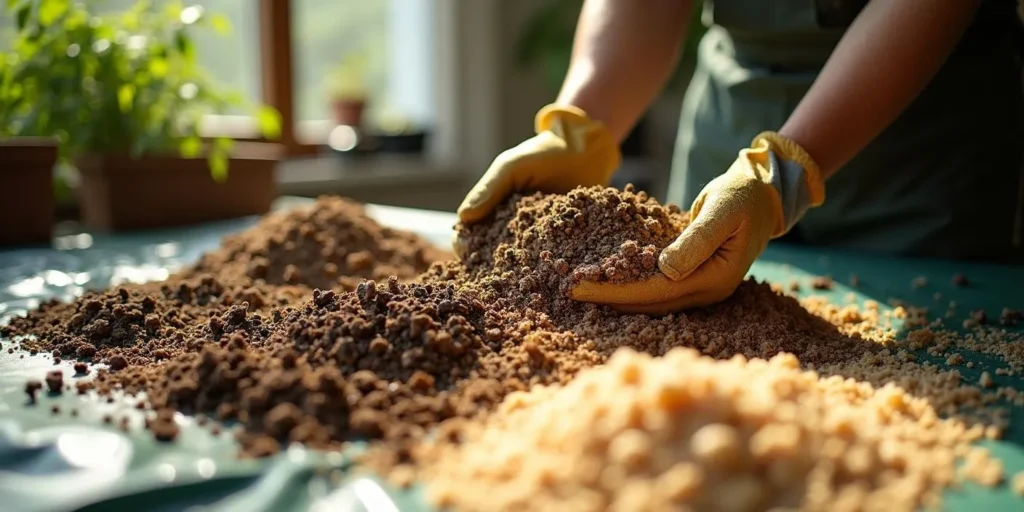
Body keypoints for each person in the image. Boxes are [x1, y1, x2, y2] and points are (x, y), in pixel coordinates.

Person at [456, 0, 1024, 314]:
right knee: (685, 293)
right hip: (733, 119)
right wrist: (584, 122)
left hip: (915, 146)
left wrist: (782, 173)